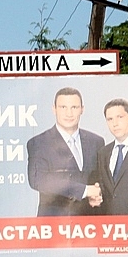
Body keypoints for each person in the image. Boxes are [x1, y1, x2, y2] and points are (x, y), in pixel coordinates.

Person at [27, 87, 105, 216]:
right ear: (54, 109)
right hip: (54, 223)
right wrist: (84, 191)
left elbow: (101, 178)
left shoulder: (96, 141)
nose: (69, 113)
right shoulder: (39, 143)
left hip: (90, 222)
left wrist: (98, 195)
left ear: (82, 109)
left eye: (74, 107)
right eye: (63, 107)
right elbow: (38, 179)